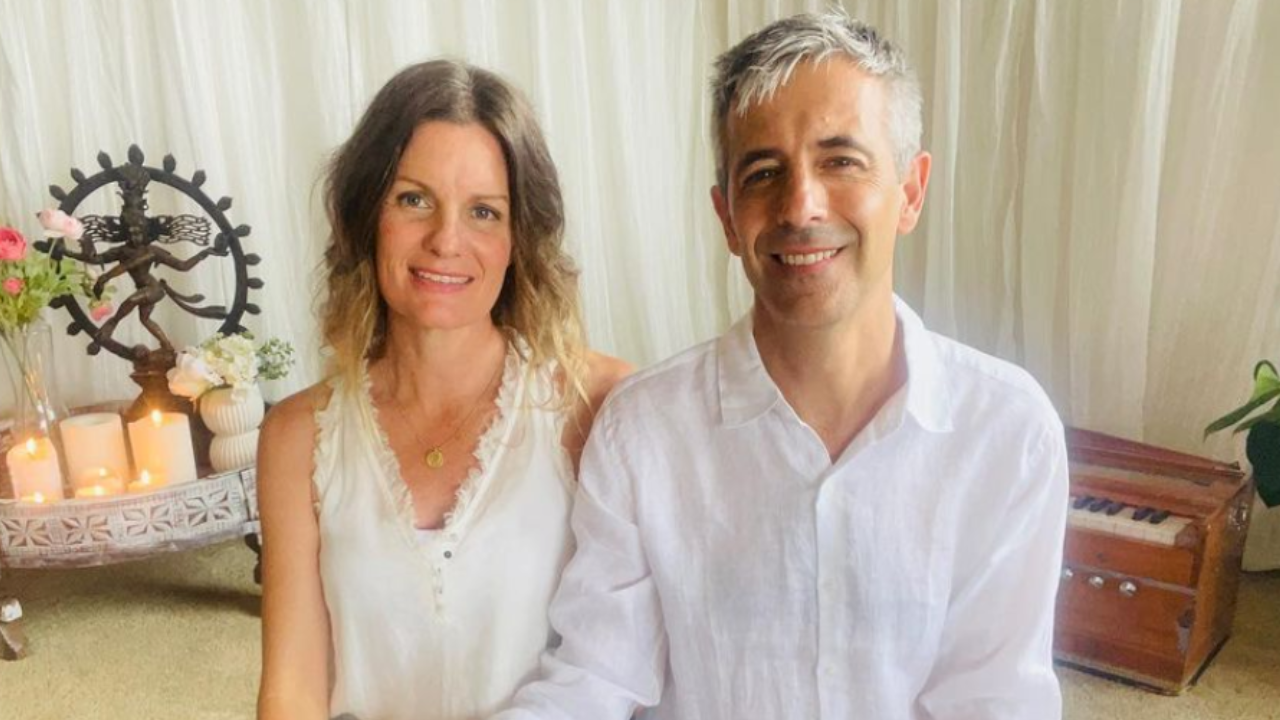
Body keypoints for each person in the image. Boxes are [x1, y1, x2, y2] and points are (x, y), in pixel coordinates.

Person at [494, 11, 1068, 720]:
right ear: (727, 218)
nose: (800, 206)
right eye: (763, 172)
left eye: (841, 161)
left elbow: (993, 701)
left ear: (911, 191)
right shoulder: (642, 431)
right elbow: (595, 677)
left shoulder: (1006, 432)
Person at [255, 60, 630, 720]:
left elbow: (628, 665)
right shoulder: (296, 435)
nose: (445, 241)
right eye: (414, 200)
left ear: (518, 239)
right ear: (366, 214)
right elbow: (292, 690)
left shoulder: (597, 402)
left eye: (484, 211)